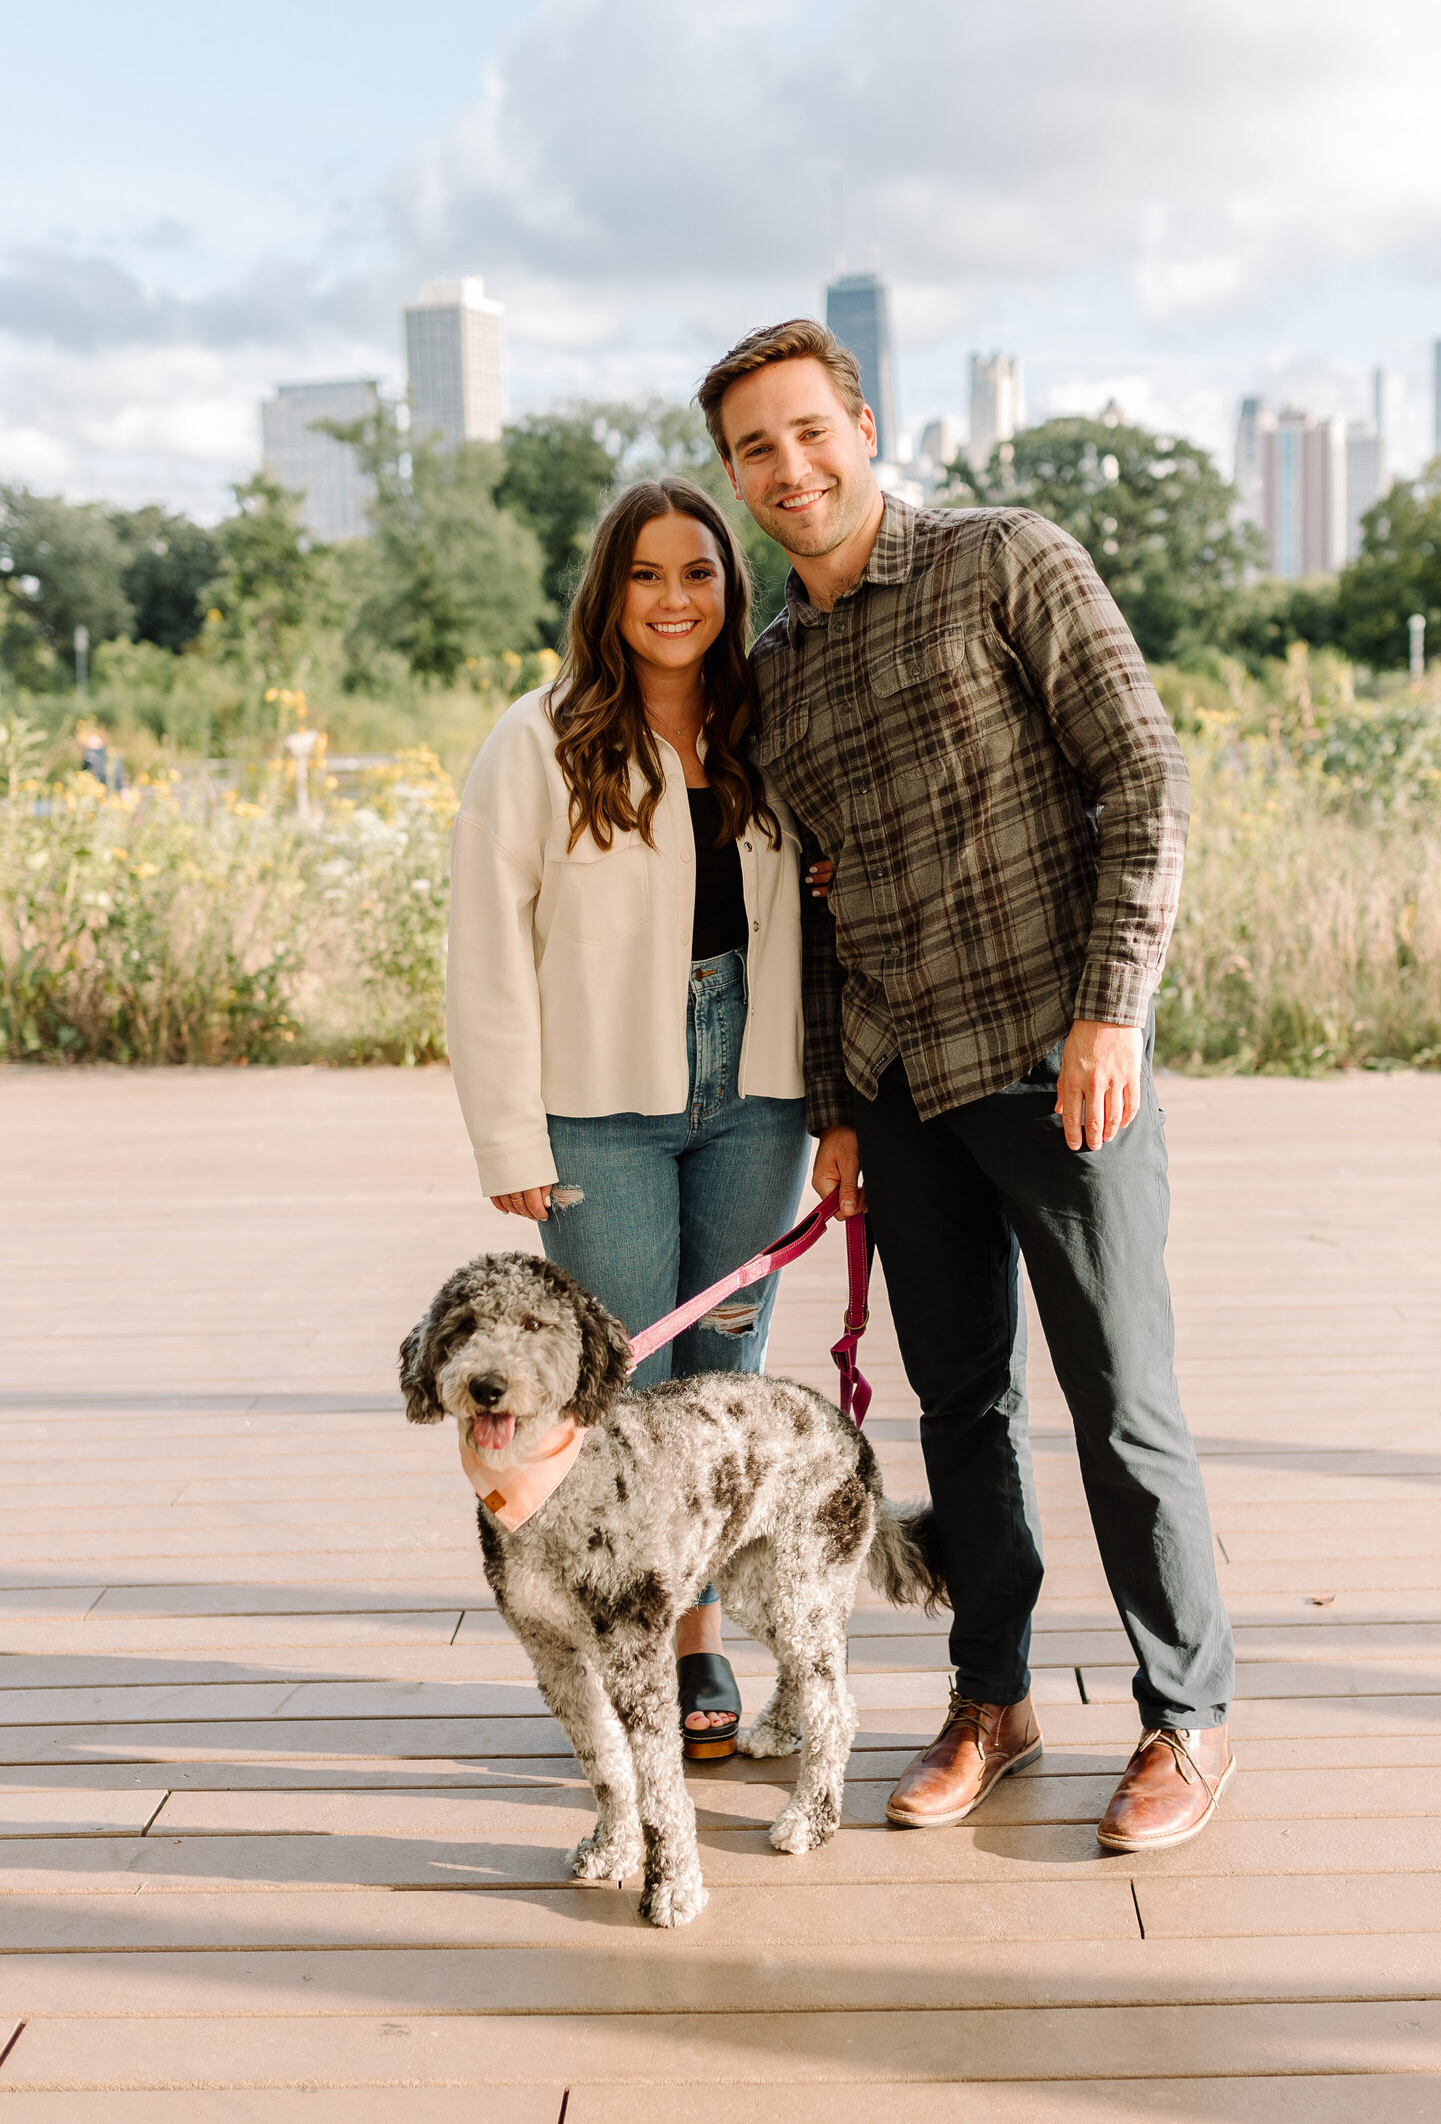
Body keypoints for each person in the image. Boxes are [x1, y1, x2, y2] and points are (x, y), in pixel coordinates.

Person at [693, 319, 1236, 1850]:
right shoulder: (773, 674)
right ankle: (991, 1698)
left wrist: (1112, 1010)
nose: (787, 467)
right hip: (901, 1090)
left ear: (864, 426)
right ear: (735, 476)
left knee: (1124, 1402)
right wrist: (834, 1112)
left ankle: (1184, 1720)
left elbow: (1144, 777)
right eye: (754, 447)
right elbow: (811, 903)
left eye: (808, 430)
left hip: (1061, 1068)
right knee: (959, 1405)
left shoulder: (1006, 560)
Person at [445, 475, 818, 1761]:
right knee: (621, 1389)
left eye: (699, 573)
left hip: (756, 1094)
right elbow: (486, 950)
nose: (675, 599)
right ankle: (631, 1647)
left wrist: (838, 1108)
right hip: (597, 1108)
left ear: (733, 588)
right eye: (647, 575)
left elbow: (822, 919)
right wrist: (509, 1136)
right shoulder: (536, 738)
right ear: (609, 594)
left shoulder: (771, 723)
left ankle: (695, 1639)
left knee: (722, 1389)